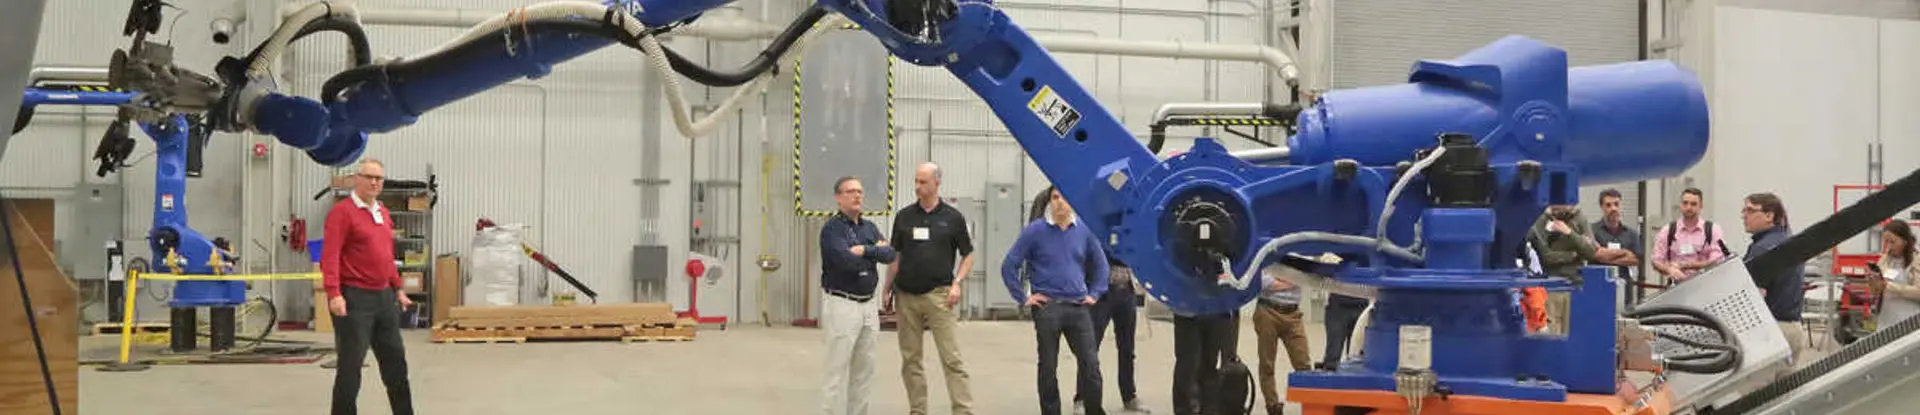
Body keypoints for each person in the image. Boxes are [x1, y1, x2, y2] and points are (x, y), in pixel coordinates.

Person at [1002, 187, 1109, 415]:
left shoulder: (1084, 231)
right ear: (1050, 201)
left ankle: (1094, 410)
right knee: (1048, 366)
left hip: (1078, 307)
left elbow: (1101, 266)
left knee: (1091, 365)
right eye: (1055, 197)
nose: (1060, 202)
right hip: (1047, 308)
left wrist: (1095, 293)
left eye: (1064, 197)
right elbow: (1009, 265)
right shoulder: (1035, 231)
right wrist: (1023, 297)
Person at [321, 158, 414, 415]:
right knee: (350, 369)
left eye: (378, 178)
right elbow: (330, 256)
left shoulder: (382, 212)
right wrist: (334, 293)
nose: (374, 182)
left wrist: (398, 288)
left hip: (384, 298)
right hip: (354, 299)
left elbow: (386, 255)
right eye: (369, 177)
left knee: (396, 365)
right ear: (356, 179)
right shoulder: (342, 213)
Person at [882, 163, 975, 415]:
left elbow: (968, 254)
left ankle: (963, 410)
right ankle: (918, 410)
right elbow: (896, 255)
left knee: (951, 358)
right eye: (916, 181)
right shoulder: (904, 217)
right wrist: (887, 287)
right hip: (906, 296)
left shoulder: (953, 218)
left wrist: (957, 283)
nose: (917, 186)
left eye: (923, 182)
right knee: (911, 359)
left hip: (939, 296)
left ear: (937, 182)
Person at [818, 176, 896, 415]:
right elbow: (845, 262)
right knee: (836, 370)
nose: (857, 196)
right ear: (838, 198)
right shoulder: (832, 230)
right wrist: (875, 252)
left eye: (860, 191)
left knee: (864, 371)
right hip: (842, 304)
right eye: (850, 191)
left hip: (868, 306)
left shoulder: (868, 227)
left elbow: (890, 254)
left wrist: (864, 249)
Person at [1739, 192, 1807, 363]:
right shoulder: (1790, 241)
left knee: (1759, 381)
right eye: (1744, 211)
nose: (1744, 216)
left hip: (1772, 331)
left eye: (1750, 210)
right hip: (1794, 329)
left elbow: (1748, 292)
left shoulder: (1762, 249)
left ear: (1769, 216)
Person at [1251, 262, 1315, 415]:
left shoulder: (1301, 253)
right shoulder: (1267, 253)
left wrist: (1279, 279)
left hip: (1293, 314)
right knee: (1267, 363)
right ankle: (1272, 406)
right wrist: (1291, 280)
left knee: (1303, 362)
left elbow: (1306, 276)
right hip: (1267, 311)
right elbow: (1260, 281)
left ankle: (1311, 406)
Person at [1653, 188, 1730, 283]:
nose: (1688, 207)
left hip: (1706, 284)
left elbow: (1717, 261)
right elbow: (1656, 261)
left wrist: (1686, 265)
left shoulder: (1713, 230)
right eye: (1685, 203)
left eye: (1693, 204)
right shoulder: (1668, 230)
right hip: (1677, 286)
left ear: (1701, 206)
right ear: (1680, 205)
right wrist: (1669, 270)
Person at [1591, 189, 1647, 304]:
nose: (1613, 208)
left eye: (1616, 204)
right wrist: (1625, 252)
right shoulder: (1592, 231)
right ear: (1602, 207)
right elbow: (1594, 255)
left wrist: (1605, 255)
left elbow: (1635, 259)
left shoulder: (1631, 234)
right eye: (1608, 205)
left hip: (1625, 289)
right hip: (1599, 289)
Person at [1868, 221, 1920, 328]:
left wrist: (1888, 286)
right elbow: (1874, 292)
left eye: (1892, 241)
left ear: (1905, 241)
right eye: (1886, 241)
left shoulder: (1916, 260)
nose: (1889, 246)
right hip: (1886, 318)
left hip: (1909, 319)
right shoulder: (1884, 260)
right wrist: (1873, 283)